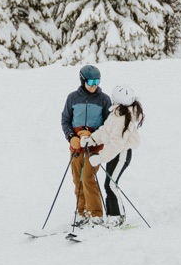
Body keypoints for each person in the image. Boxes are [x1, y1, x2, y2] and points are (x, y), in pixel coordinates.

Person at [60, 64, 111, 225]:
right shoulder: (72, 98)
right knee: (78, 179)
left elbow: (108, 124)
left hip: (94, 147)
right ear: (83, 81)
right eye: (91, 81)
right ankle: (81, 212)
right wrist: (71, 137)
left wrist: (94, 136)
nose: (94, 85)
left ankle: (95, 213)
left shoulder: (104, 99)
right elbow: (65, 120)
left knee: (88, 176)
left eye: (97, 81)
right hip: (76, 146)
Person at [88, 84, 144, 226]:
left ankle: (119, 217)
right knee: (109, 184)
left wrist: (100, 158)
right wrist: (92, 139)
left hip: (121, 154)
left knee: (111, 185)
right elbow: (105, 130)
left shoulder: (123, 118)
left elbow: (116, 144)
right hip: (115, 154)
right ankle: (112, 215)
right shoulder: (117, 114)